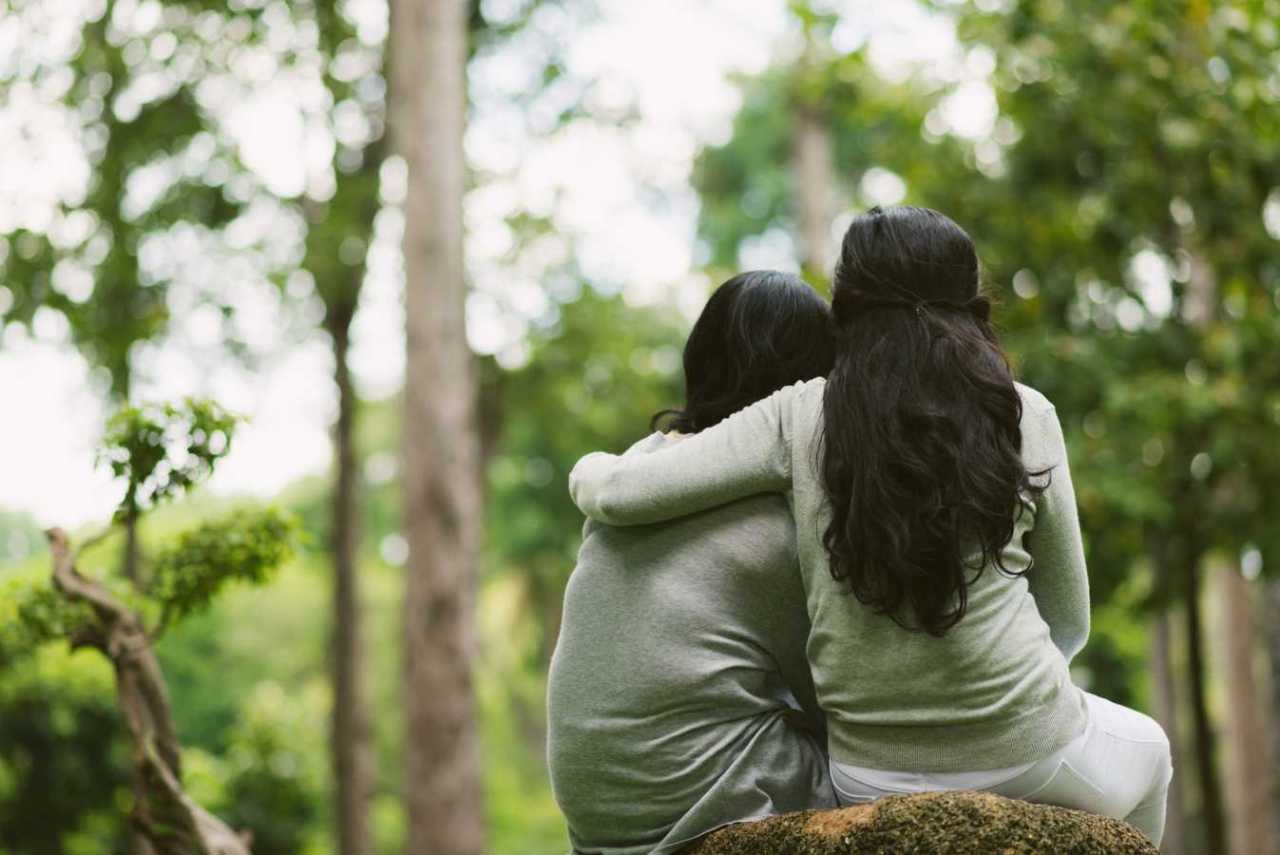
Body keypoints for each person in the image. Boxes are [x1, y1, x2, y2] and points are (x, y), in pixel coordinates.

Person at [569, 207, 1173, 845]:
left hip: (865, 773)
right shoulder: (1023, 413)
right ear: (973, 306)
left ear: (845, 311)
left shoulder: (799, 415)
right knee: (1153, 752)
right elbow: (1067, 617)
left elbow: (621, 492)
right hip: (1029, 748)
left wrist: (588, 468)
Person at [546, 271, 839, 855]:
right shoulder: (768, 524)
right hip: (700, 811)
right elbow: (829, 693)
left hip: (596, 821)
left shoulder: (638, 466)